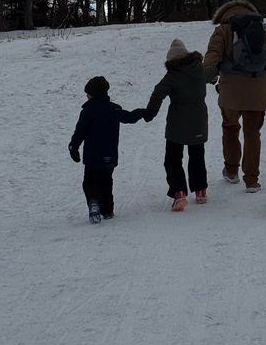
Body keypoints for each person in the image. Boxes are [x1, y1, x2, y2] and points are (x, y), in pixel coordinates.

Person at [203, 0, 266, 192]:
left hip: (231, 91)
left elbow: (213, 55)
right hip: (258, 90)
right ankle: (252, 180)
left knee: (230, 128)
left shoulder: (222, 30)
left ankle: (231, 171)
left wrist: (206, 75)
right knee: (253, 134)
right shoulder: (263, 31)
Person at [68, 75, 145, 222]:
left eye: (88, 93)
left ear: (93, 94)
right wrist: (142, 112)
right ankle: (108, 210)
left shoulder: (88, 111)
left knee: (90, 182)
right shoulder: (114, 109)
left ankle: (94, 203)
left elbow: (80, 132)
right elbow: (129, 117)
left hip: (92, 157)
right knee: (106, 182)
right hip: (110, 155)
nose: (87, 96)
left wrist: (73, 147)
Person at [144, 38, 209, 211]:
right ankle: (201, 191)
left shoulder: (173, 75)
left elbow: (158, 92)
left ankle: (179, 192)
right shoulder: (200, 69)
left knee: (172, 159)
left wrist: (150, 112)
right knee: (197, 157)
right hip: (199, 122)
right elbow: (212, 74)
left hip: (177, 124)